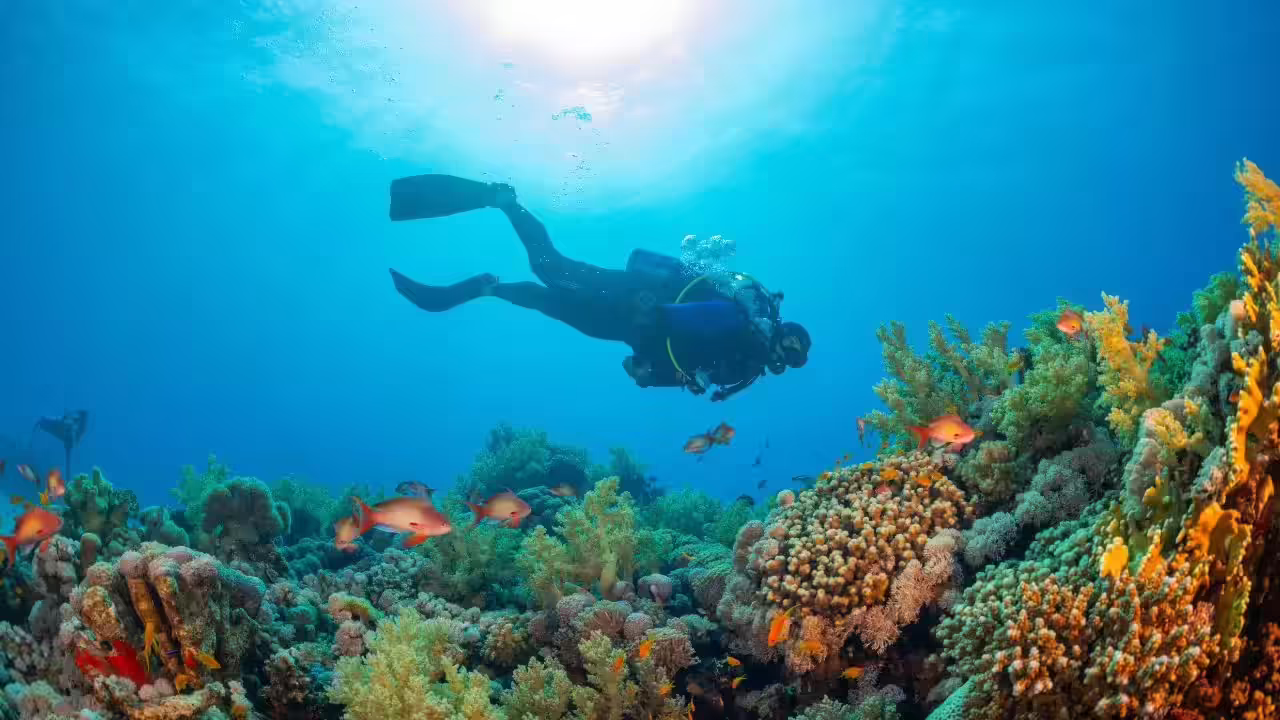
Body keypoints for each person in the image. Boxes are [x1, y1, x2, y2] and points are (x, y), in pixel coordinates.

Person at [386, 174, 811, 401]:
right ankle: (505, 201)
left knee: (547, 299)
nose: (785, 358)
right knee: (549, 267)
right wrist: (658, 314)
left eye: (793, 359)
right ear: (781, 332)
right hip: (631, 301)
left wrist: (646, 375)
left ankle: (488, 287)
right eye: (790, 348)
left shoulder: (744, 366)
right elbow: (704, 316)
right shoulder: (742, 322)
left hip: (628, 327)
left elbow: (689, 371)